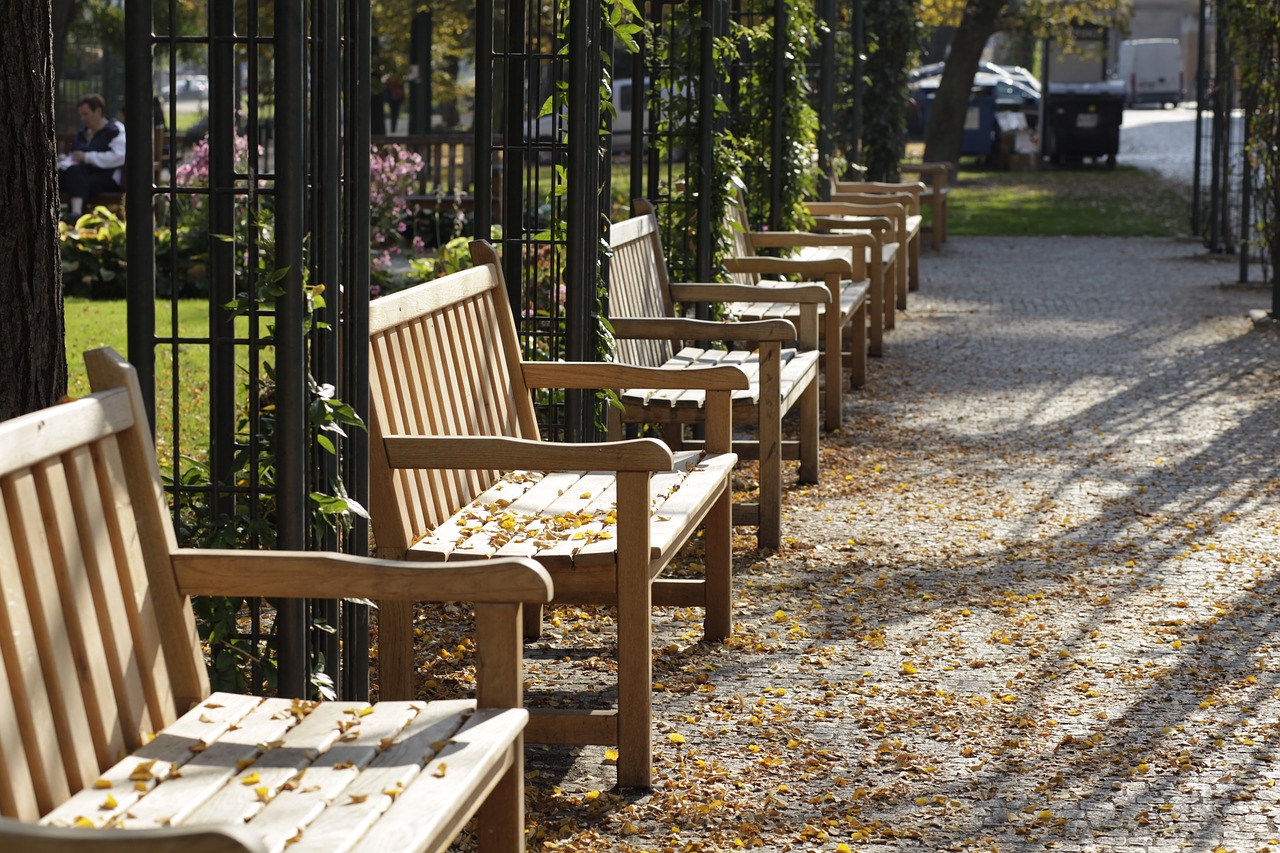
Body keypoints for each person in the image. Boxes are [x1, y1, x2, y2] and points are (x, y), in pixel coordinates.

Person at [58, 93, 126, 221]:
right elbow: (74, 155)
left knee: (76, 175)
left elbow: (119, 156)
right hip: (79, 176)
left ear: (98, 111)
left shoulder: (114, 130)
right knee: (61, 176)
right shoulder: (83, 132)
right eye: (80, 115)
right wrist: (65, 158)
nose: (82, 118)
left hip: (107, 177)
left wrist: (87, 157)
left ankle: (76, 215)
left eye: (86, 114)